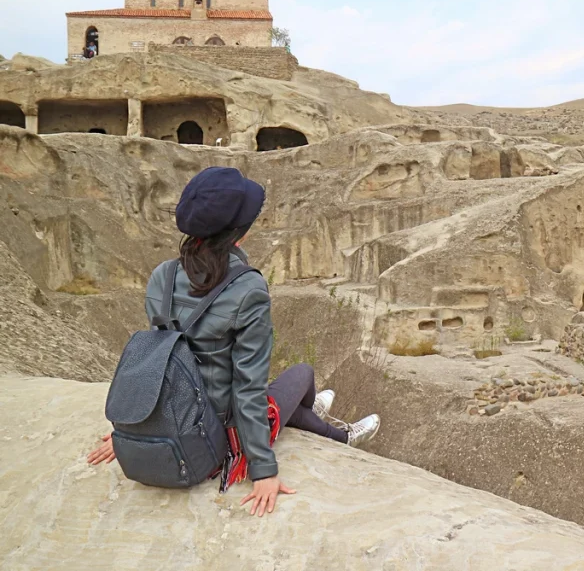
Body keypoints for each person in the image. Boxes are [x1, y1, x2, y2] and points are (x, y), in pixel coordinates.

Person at [88, 166, 380, 517]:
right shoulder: (247, 288)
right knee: (302, 372)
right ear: (238, 233)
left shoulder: (162, 277)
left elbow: (159, 357)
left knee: (294, 399)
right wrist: (264, 471)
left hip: (174, 417)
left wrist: (136, 426)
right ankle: (338, 435)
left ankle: (314, 418)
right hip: (216, 439)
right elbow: (248, 388)